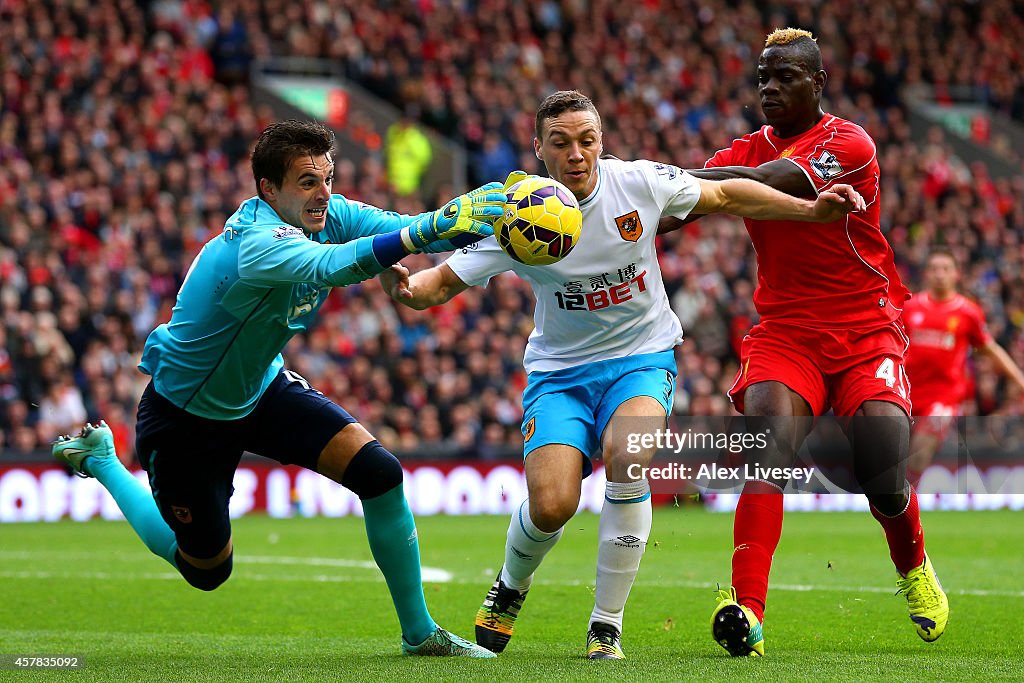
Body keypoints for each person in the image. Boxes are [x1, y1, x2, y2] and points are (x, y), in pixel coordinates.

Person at [378, 90, 864, 659]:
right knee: (553, 504)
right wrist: (402, 288)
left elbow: (727, 193)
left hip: (641, 359)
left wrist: (810, 210)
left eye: (587, 140)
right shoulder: (517, 217)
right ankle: (511, 585)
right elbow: (437, 285)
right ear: (539, 149)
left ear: (601, 141)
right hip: (559, 374)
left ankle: (605, 624)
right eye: (560, 143)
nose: (576, 154)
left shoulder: (639, 183)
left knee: (629, 456)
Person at [51, 119, 508, 658]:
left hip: (260, 388)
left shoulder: (325, 214)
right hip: (186, 416)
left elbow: (399, 226)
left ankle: (420, 634)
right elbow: (335, 265)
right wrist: (417, 236)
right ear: (269, 189)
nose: (325, 194)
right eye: (308, 182)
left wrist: (490, 216)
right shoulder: (256, 245)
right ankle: (104, 461)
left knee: (380, 475)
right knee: (205, 569)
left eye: (328, 177)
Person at [660, 28, 949, 655]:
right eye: (762, 76)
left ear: (817, 83)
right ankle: (746, 610)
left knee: (884, 474)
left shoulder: (848, 143)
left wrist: (669, 179)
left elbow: (764, 182)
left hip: (865, 329)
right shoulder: (744, 147)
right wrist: (614, 200)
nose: (768, 87)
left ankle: (915, 567)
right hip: (786, 334)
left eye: (784, 76)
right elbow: (677, 207)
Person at [903, 248, 1024, 483]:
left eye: (946, 269)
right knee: (894, 455)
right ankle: (899, 501)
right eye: (935, 269)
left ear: (956, 274)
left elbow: (991, 349)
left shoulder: (968, 312)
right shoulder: (910, 308)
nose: (940, 274)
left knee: (920, 450)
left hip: (944, 397)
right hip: (906, 393)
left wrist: (1019, 381)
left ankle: (906, 500)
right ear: (926, 273)